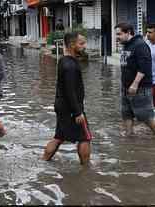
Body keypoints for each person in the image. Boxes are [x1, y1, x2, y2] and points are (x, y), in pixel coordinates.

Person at [42, 32, 92, 165]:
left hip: (62, 106)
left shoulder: (64, 61)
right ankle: (86, 169)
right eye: (81, 43)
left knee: (59, 136)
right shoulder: (70, 65)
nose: (84, 46)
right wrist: (77, 112)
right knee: (85, 138)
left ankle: (44, 161)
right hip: (71, 108)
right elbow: (70, 90)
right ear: (71, 45)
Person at [115, 22, 155, 135]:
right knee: (126, 113)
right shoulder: (126, 45)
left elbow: (144, 67)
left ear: (128, 32)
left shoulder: (140, 45)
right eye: (116, 34)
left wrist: (135, 84)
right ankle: (129, 135)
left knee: (145, 115)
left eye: (119, 34)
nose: (117, 37)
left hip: (140, 88)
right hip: (126, 87)